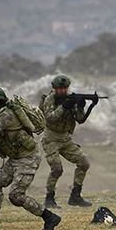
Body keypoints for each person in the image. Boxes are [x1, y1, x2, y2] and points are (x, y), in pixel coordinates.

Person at [0, 86, 61, 230]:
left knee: (16, 196)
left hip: (28, 158)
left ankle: (49, 217)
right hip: (16, 158)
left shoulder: (6, 115)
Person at [39, 74, 97, 208]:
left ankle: (75, 196)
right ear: (54, 88)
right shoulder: (49, 100)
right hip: (51, 139)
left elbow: (80, 119)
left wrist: (82, 106)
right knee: (57, 169)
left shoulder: (71, 99)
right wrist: (64, 106)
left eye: (65, 88)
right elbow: (50, 118)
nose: (62, 91)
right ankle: (49, 198)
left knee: (84, 163)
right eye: (59, 88)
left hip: (65, 138)